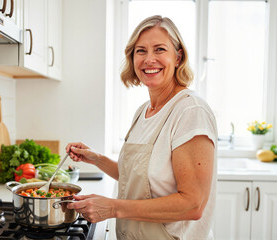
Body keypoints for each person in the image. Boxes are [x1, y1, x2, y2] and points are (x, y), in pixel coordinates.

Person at [66, 15, 217, 240]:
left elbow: (192, 205)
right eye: (141, 51)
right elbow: (139, 178)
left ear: (178, 57)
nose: (149, 59)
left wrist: (113, 208)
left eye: (159, 50)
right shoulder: (143, 111)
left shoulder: (190, 111)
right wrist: (96, 159)